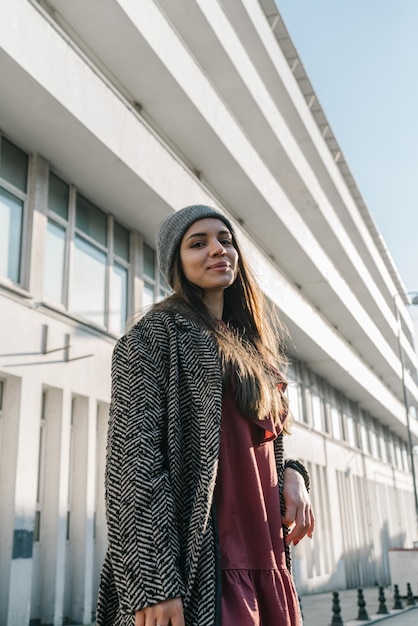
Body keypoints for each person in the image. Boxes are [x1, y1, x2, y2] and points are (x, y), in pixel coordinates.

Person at [96, 204, 315, 626]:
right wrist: (154, 583)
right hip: (202, 573)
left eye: (225, 240)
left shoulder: (255, 353)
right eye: (198, 243)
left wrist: (295, 475)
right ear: (176, 263)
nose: (218, 249)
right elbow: (133, 466)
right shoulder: (153, 338)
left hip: (268, 566)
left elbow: (256, 448)